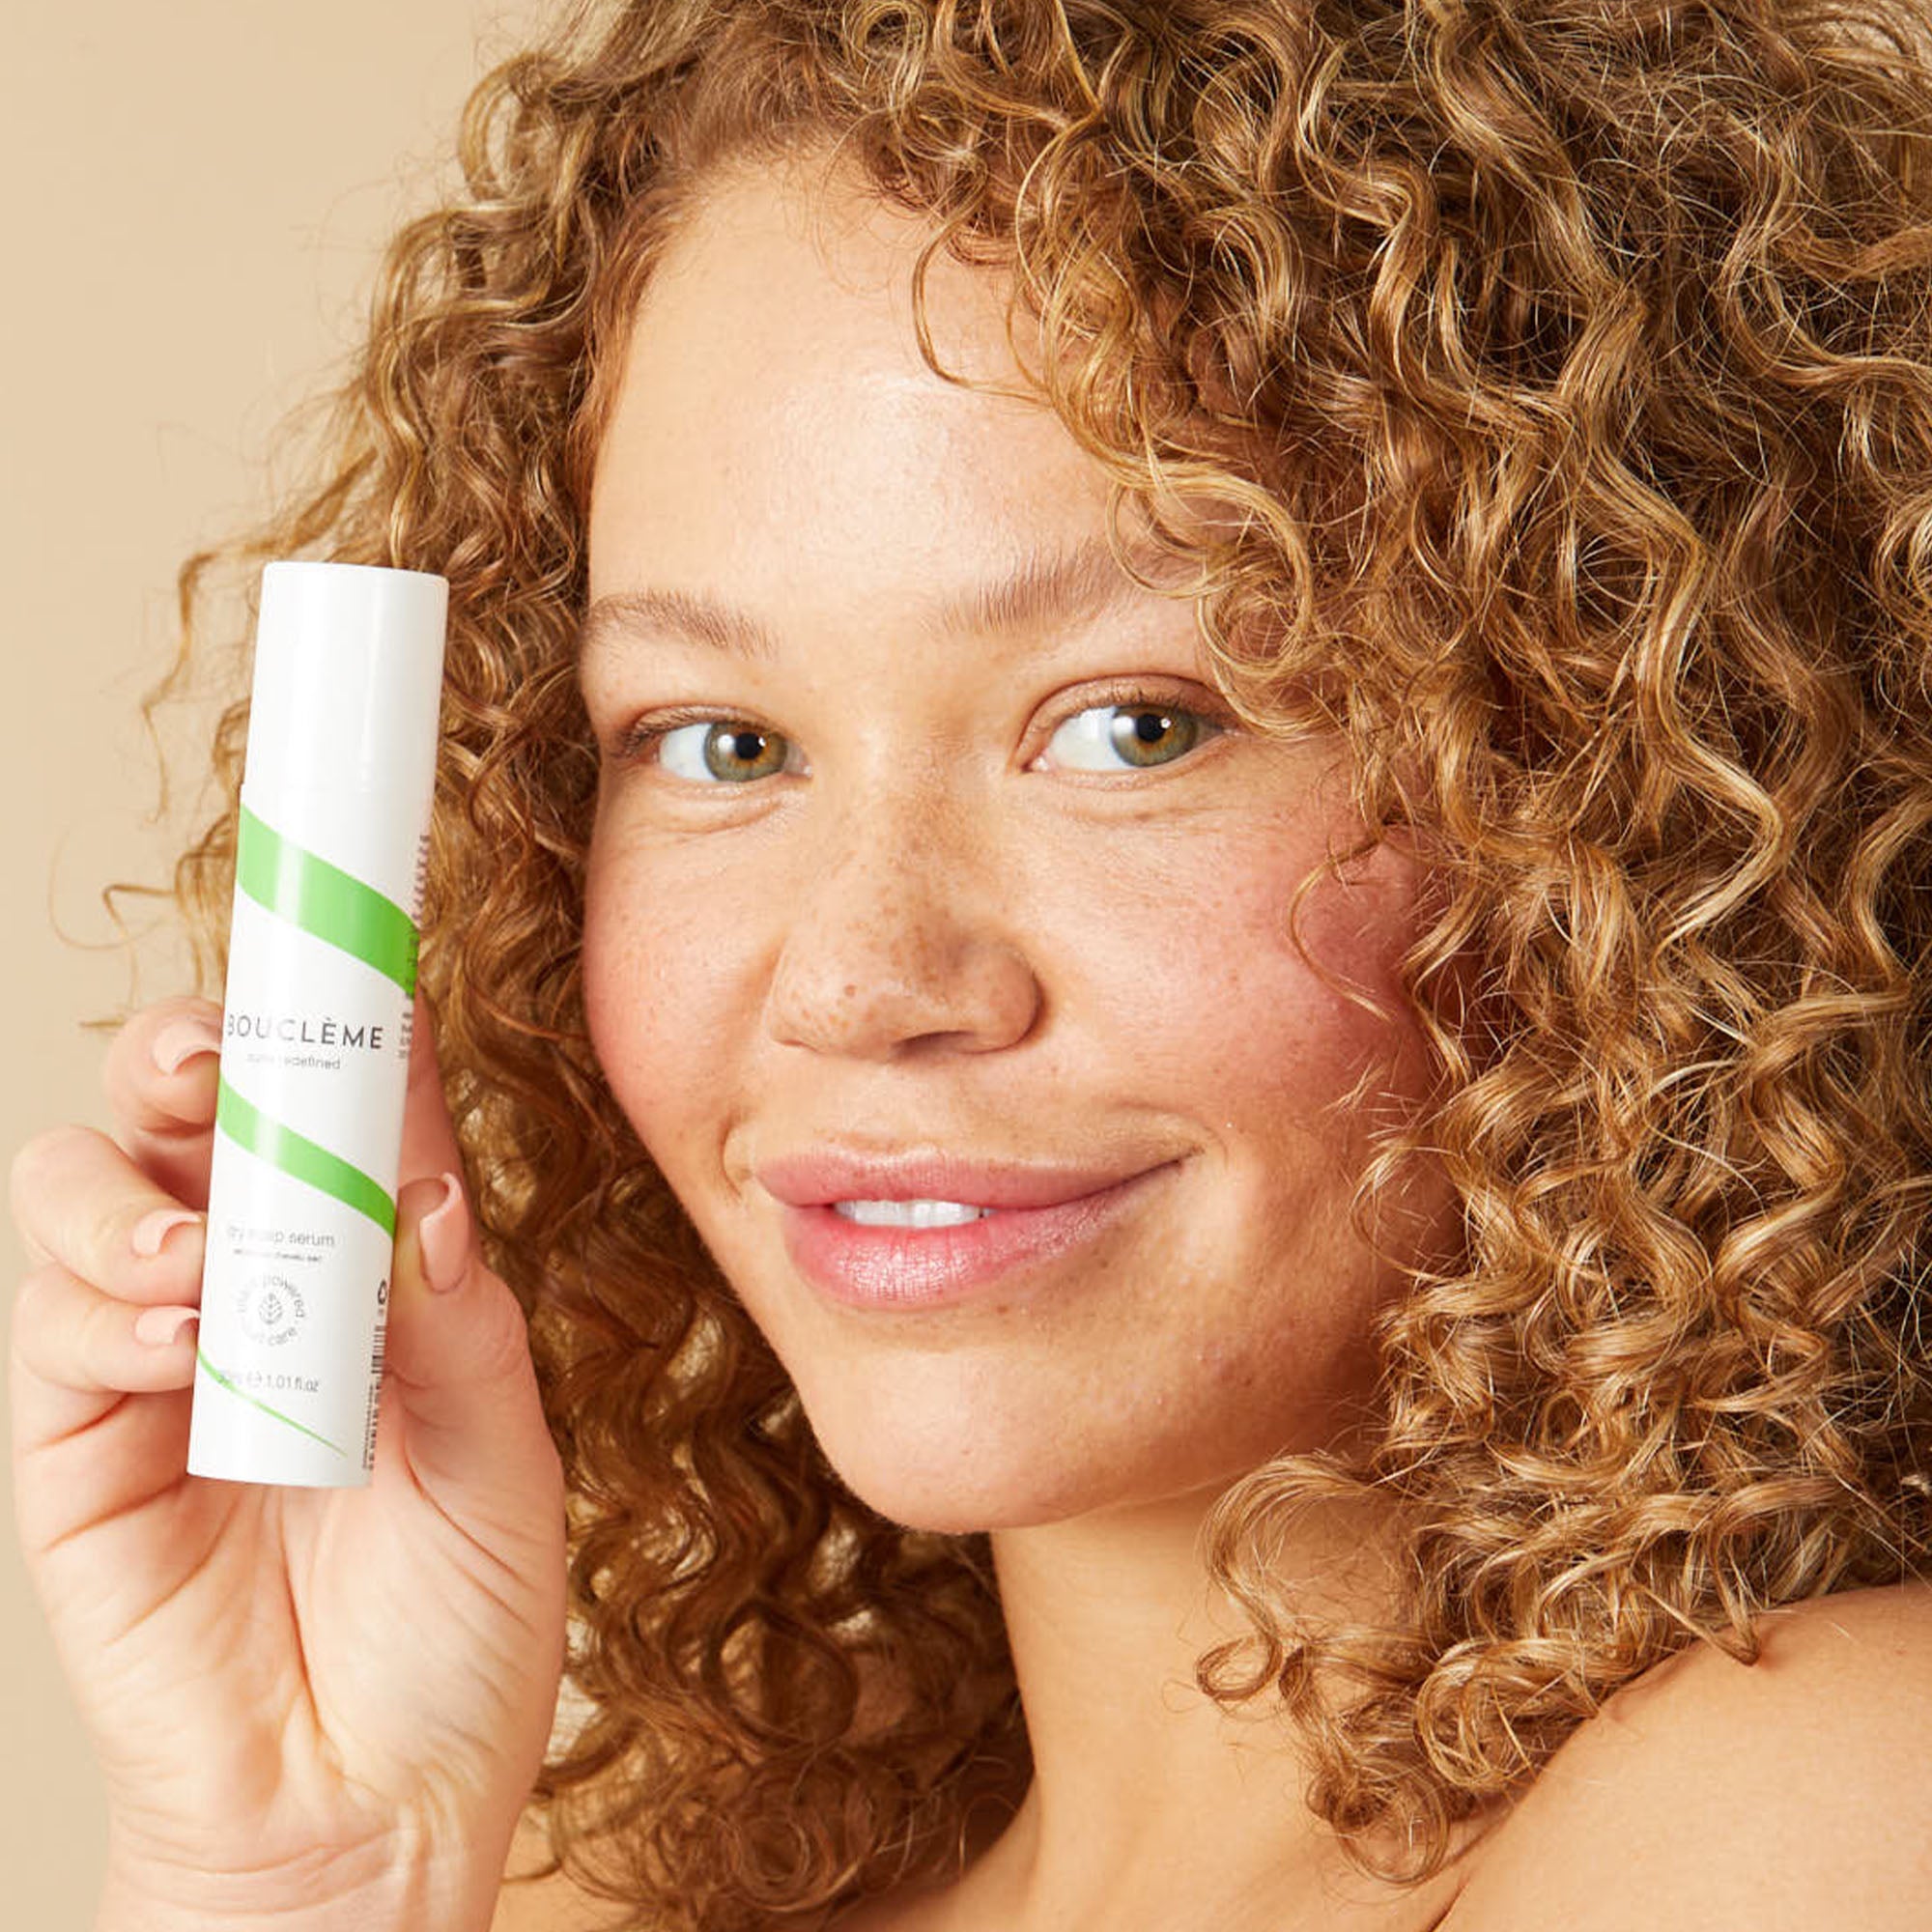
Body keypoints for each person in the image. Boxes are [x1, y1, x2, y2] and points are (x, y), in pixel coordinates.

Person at [11, 0, 1932, 1925]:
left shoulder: (1829, 1800)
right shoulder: (570, 1890)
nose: (857, 983)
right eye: (721, 744)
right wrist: (298, 1882)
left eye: (1134, 728)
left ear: (1640, 789)